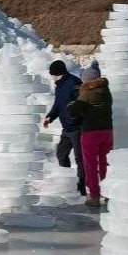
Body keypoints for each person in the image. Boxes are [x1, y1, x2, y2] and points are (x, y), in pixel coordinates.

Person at [68, 77, 113, 208]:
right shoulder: (106, 91)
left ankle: (94, 196)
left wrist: (71, 105)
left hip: (91, 132)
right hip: (107, 132)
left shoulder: (87, 93)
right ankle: (108, 193)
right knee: (106, 163)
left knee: (91, 165)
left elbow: (73, 111)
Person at [43, 60, 85, 196]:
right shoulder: (59, 86)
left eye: (52, 74)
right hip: (66, 128)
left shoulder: (74, 83)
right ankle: (68, 181)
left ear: (57, 73)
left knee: (80, 159)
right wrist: (50, 116)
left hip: (77, 128)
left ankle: (81, 186)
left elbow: (82, 104)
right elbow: (58, 104)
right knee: (61, 154)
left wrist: (76, 119)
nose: (51, 76)